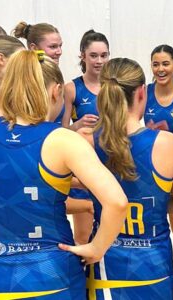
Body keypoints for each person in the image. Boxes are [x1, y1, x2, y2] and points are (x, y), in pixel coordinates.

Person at [0, 50, 128, 299]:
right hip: (53, 275)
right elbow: (117, 202)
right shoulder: (63, 140)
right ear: (55, 91)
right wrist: (97, 248)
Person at [77, 57, 173, 300]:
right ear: (142, 93)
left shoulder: (86, 141)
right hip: (152, 263)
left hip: (105, 260)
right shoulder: (167, 144)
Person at [62, 29, 110, 245]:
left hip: (110, 166)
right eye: (93, 55)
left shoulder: (114, 87)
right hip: (83, 170)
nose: (99, 61)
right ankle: (83, 278)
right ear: (82, 55)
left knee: (111, 232)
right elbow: (60, 134)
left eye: (104, 55)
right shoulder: (72, 89)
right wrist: (78, 125)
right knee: (82, 235)